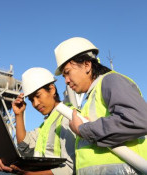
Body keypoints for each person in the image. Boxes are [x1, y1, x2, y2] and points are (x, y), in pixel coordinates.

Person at [53, 37, 147, 174]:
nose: (66, 81)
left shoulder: (111, 80)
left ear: (87, 65)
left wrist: (83, 129)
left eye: (67, 73)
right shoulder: (92, 98)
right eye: (63, 77)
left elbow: (138, 119)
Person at [0, 67, 76, 175]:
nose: (35, 103)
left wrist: (29, 174)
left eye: (38, 96)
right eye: (31, 100)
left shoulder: (69, 117)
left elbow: (71, 168)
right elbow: (25, 148)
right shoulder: (45, 126)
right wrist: (19, 115)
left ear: (52, 89)